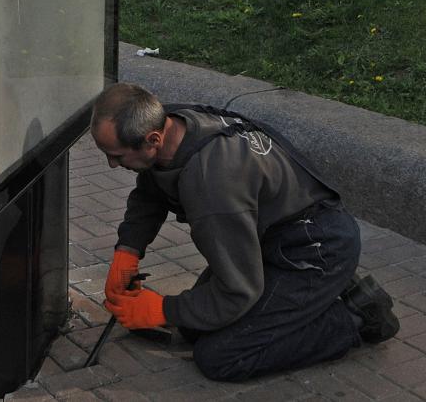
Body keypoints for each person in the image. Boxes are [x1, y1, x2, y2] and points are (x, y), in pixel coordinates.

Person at [91, 83, 398, 383]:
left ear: (152, 140)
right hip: (274, 239)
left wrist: (161, 309)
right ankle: (306, 299)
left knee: (221, 356)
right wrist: (128, 251)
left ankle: (353, 314)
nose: (112, 164)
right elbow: (151, 186)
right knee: (196, 326)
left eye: (117, 156)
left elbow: (238, 291)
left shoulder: (211, 186)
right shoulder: (173, 122)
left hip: (316, 251)